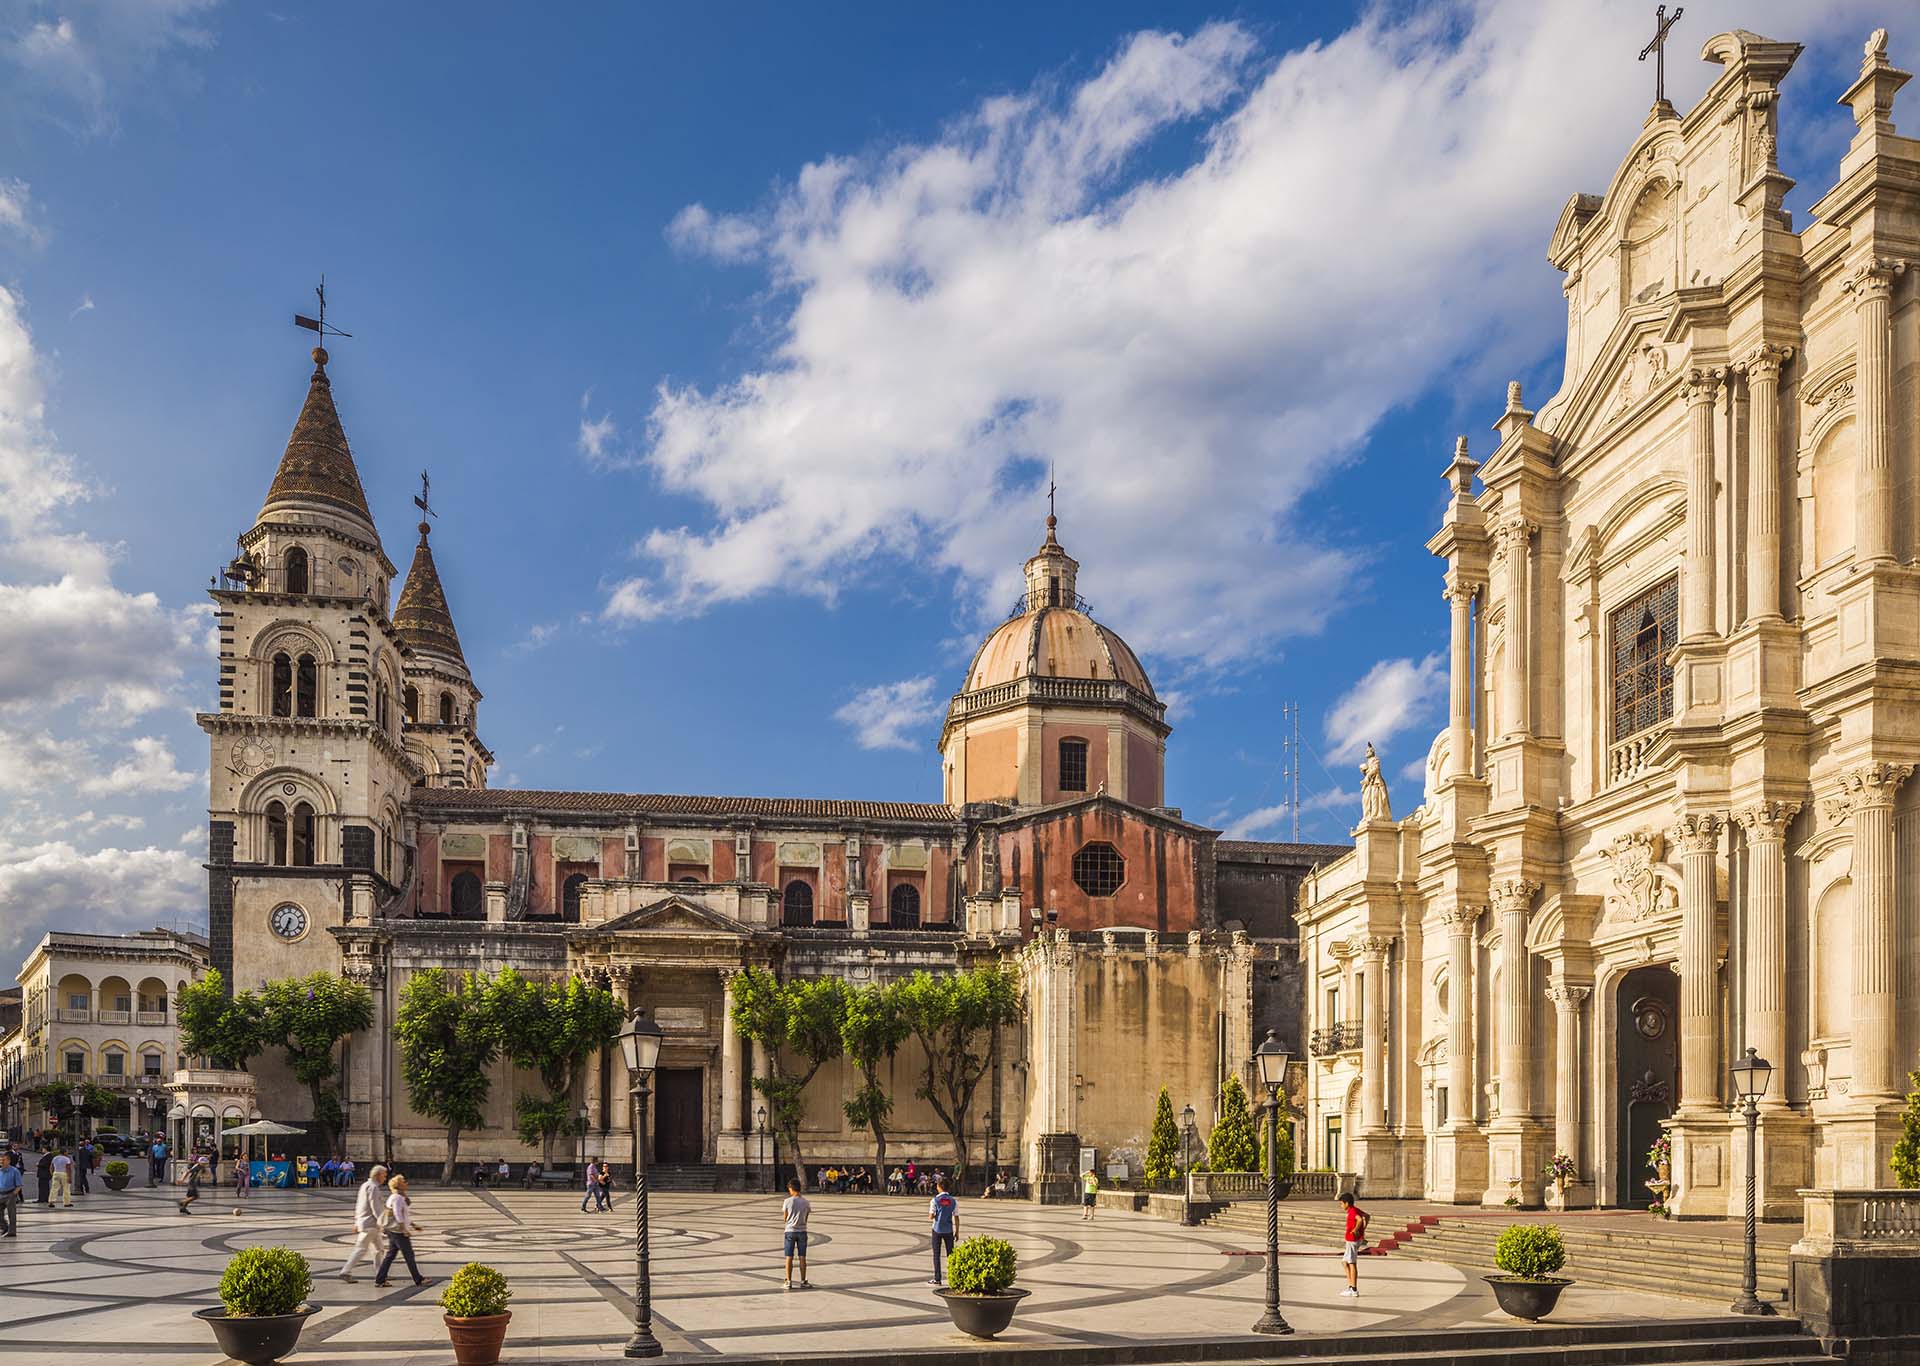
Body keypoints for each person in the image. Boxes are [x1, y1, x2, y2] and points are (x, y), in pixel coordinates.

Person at [374, 1174, 432, 1288]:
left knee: (390, 1255)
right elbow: (398, 1215)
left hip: (394, 1231)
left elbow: (403, 1215)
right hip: (398, 1232)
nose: (406, 1183)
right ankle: (418, 1279)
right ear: (399, 1185)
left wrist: (413, 1225)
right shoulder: (397, 1198)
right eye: (404, 1181)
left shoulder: (395, 1197)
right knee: (409, 1255)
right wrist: (404, 1229)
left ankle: (380, 1279)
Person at [341, 1164, 391, 1283]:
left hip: (366, 1223)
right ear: (378, 1175)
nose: (385, 1178)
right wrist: (383, 1223)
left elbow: (359, 1205)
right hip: (370, 1224)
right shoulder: (373, 1188)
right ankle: (346, 1271)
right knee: (361, 1249)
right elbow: (376, 1207)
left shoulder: (365, 1185)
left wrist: (357, 1221)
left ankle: (381, 1274)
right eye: (384, 1175)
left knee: (379, 1249)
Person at [927, 1176, 959, 1286]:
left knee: (936, 1254)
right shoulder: (953, 1201)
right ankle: (953, 1277)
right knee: (951, 1254)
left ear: (939, 1187)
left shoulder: (935, 1200)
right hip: (948, 1230)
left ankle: (937, 1278)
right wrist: (957, 1231)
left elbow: (931, 1216)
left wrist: (936, 1215)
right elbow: (956, 1217)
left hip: (937, 1229)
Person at [781, 1177, 811, 1290]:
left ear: (791, 1189)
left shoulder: (787, 1201)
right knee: (802, 1257)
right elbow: (806, 1217)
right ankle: (803, 1280)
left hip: (790, 1231)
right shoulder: (806, 1202)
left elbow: (785, 1218)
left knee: (789, 1257)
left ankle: (788, 1281)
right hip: (802, 1231)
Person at [1339, 1192, 1369, 1297]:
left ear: (1346, 1203)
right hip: (1352, 1239)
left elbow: (1360, 1219)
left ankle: (1354, 1289)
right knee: (1344, 1262)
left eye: (1341, 1204)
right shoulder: (1355, 1209)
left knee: (1352, 1263)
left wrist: (1355, 1229)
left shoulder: (1352, 1212)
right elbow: (1367, 1216)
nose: (1341, 1206)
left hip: (1352, 1240)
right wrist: (1363, 1229)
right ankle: (1350, 1286)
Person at [0, 1151, 22, 1237]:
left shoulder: (14, 1171)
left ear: (8, 1161)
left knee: (11, 1213)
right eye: (0, 1160)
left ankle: (12, 1231)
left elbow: (19, 1185)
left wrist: (13, 1194)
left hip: (10, 1194)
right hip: (1, 1194)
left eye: (3, 1160)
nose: (1, 1162)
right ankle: (4, 1227)